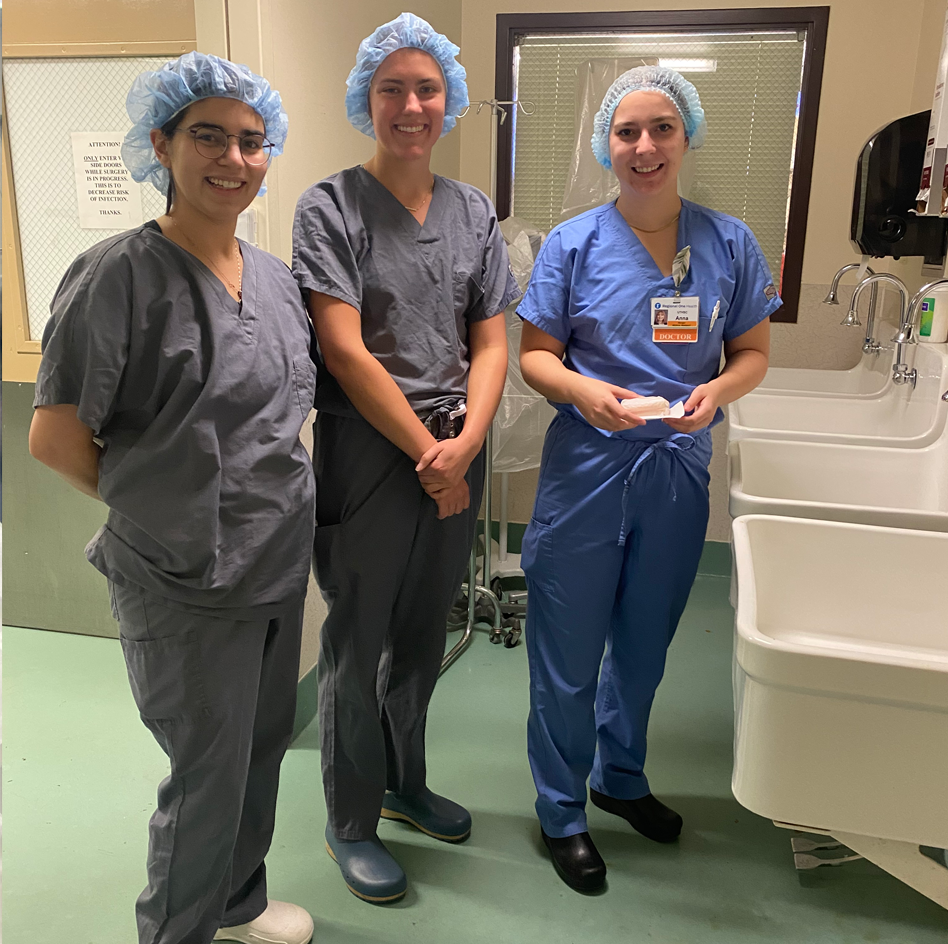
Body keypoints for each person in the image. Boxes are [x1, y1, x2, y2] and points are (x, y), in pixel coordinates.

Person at [29, 52, 316, 944]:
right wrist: (171, 510)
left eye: (251, 140)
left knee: (260, 754)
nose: (233, 158)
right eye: (208, 136)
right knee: (205, 777)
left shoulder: (273, 279)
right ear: (160, 144)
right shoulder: (117, 275)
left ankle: (235, 904)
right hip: (184, 580)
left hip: (274, 563)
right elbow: (56, 437)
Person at [517, 66, 778, 892]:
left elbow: (754, 354)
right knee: (567, 648)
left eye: (661, 128)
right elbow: (534, 356)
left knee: (642, 645)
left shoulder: (729, 243)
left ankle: (619, 778)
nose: (644, 146)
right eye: (627, 132)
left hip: (674, 470)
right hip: (588, 469)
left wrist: (716, 393)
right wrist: (582, 389)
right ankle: (562, 809)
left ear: (685, 137)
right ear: (607, 146)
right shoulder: (573, 245)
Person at [292, 12, 519, 904]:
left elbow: (491, 343)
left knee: (424, 632)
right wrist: (432, 449)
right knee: (357, 638)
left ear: (449, 102)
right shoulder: (331, 207)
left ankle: (404, 785)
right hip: (371, 452)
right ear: (367, 102)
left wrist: (464, 444)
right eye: (393, 89)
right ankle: (349, 820)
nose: (412, 105)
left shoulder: (471, 211)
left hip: (455, 446)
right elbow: (343, 349)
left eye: (428, 89)